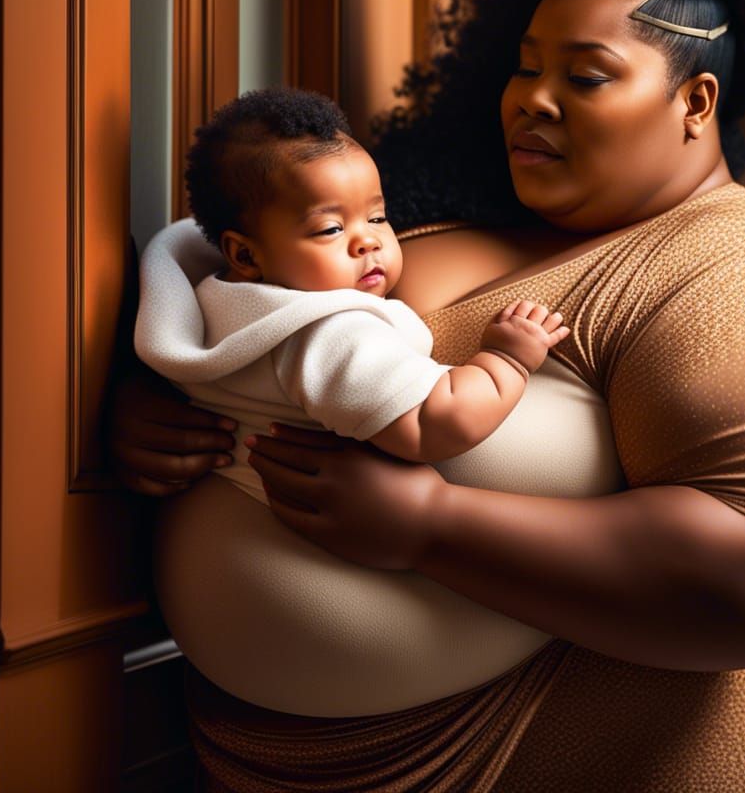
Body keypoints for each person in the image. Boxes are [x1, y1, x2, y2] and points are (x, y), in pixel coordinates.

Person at [113, 0, 745, 791]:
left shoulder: (743, 272)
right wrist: (161, 415)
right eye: (525, 65)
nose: (531, 98)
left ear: (695, 103)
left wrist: (431, 525)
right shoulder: (420, 215)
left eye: (583, 76)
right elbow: (265, 331)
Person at [134, 87, 569, 505]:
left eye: (377, 217)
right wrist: (506, 359)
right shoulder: (330, 332)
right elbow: (435, 422)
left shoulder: (212, 302)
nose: (368, 242)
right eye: (331, 229)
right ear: (245, 253)